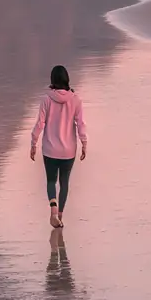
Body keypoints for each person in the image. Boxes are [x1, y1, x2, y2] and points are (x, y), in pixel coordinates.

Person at [30, 65, 87, 228]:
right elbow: (81, 124)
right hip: (68, 151)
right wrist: (84, 142)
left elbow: (40, 124)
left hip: (50, 149)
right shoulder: (76, 100)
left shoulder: (46, 100)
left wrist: (33, 142)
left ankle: (53, 211)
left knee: (51, 181)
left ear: (52, 80)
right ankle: (60, 216)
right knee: (64, 182)